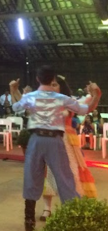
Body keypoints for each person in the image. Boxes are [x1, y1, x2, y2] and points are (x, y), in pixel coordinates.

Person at [9, 66, 102, 231]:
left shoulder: (31, 96)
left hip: (36, 139)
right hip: (55, 140)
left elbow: (15, 107)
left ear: (37, 79)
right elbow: (86, 109)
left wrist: (13, 89)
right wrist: (96, 95)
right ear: (52, 79)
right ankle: (73, 219)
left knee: (31, 175)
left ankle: (29, 219)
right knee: (64, 177)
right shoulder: (62, 98)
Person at [40, 77, 98, 222]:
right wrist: (14, 91)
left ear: (61, 87)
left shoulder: (70, 102)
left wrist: (95, 94)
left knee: (72, 173)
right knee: (50, 174)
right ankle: (47, 208)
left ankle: (72, 207)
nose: (51, 87)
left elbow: (89, 107)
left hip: (67, 142)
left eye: (54, 84)